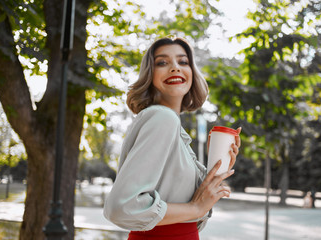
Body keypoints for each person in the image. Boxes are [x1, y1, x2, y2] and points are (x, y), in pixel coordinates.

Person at [103, 37, 241, 240]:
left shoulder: (172, 126)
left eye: (182, 62)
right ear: (150, 76)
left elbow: (186, 202)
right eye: (162, 62)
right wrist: (194, 208)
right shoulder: (162, 118)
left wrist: (218, 165)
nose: (175, 68)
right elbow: (122, 207)